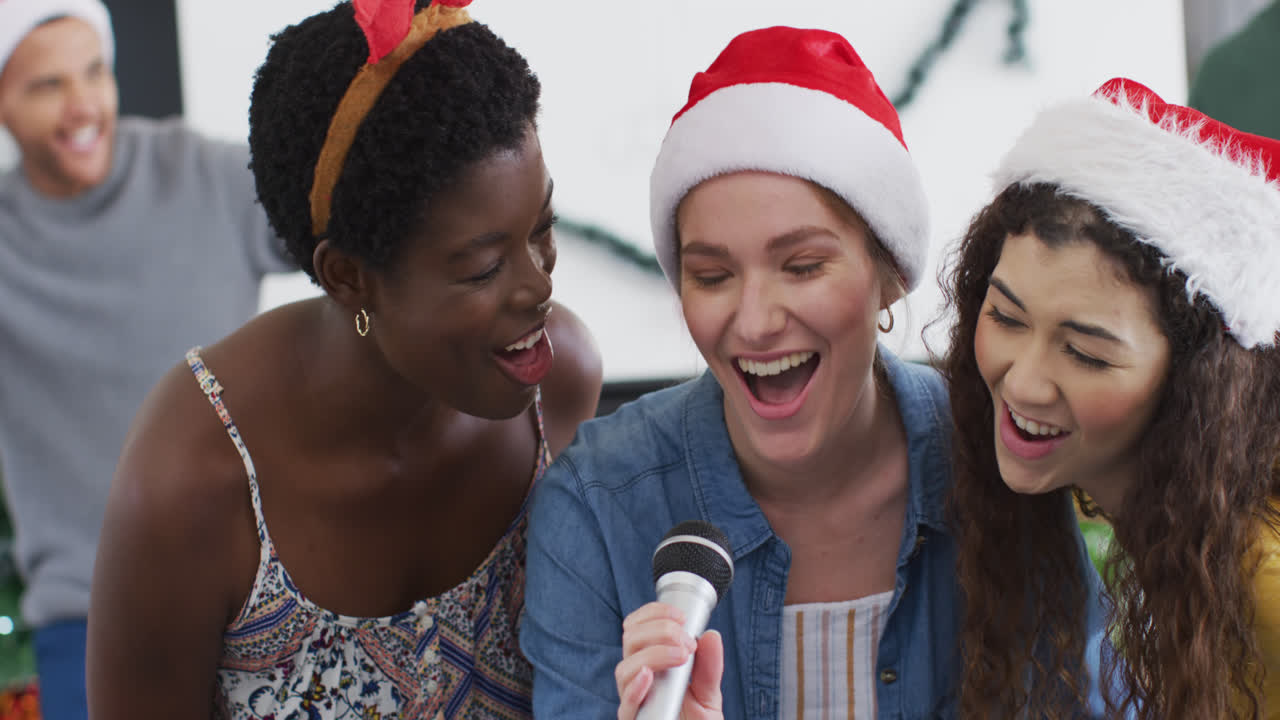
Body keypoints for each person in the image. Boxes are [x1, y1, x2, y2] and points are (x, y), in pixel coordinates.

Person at [521, 25, 1113, 719]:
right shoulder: (597, 506)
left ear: (889, 272)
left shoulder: (1000, 467)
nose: (754, 320)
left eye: (802, 266)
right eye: (711, 275)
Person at [85, 0, 601, 717]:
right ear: (348, 277)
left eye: (541, 229)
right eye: (483, 268)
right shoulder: (194, 482)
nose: (539, 286)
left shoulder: (559, 383)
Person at [940, 77, 1280, 719]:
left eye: (1086, 354)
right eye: (1007, 318)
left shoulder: (1260, 580)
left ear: (1196, 384)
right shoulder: (1173, 513)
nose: (1023, 383)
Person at [0, 1, 297, 717]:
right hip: (86, 617)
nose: (82, 106)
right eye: (46, 86)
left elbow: (352, 233)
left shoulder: (204, 171)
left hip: (262, 598)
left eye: (95, 73)